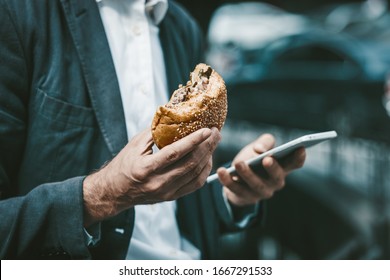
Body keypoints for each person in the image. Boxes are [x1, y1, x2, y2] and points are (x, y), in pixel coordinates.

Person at [0, 0, 306, 259]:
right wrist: (102, 195)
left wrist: (233, 194)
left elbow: (170, 213)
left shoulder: (181, 28)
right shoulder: (20, 13)